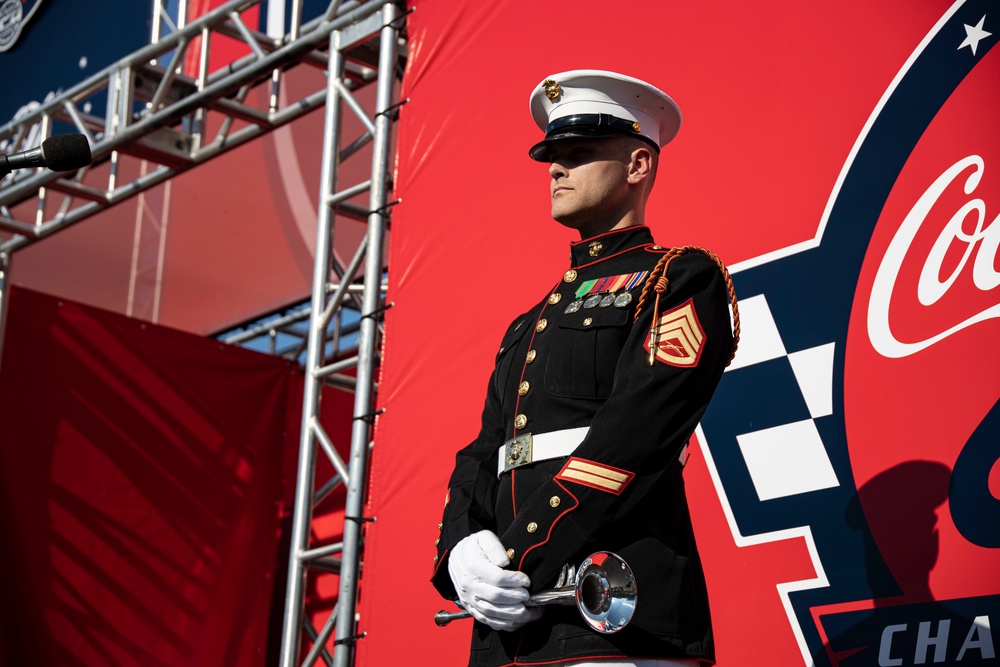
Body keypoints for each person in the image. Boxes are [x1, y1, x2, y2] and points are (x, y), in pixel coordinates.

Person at [431, 69, 739, 667]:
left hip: (613, 623)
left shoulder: (678, 278)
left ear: (638, 165)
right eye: (551, 155)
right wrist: (461, 552)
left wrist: (516, 559)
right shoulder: (528, 320)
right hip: (506, 632)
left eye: (578, 153)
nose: (555, 168)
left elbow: (635, 438)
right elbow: (484, 451)